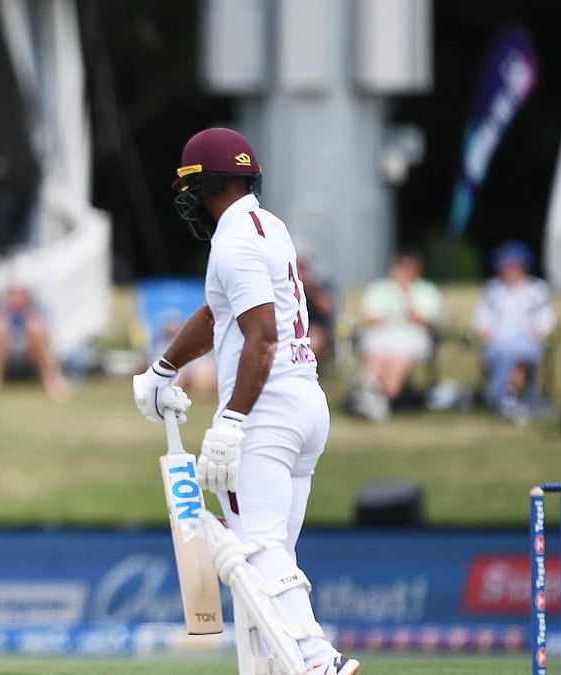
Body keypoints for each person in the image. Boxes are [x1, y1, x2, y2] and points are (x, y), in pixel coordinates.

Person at [131, 127, 359, 675]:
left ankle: (315, 659)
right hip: (306, 403)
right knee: (270, 560)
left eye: (190, 187)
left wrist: (232, 421)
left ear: (206, 184)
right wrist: (164, 368)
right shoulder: (268, 227)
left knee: (255, 549)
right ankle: (283, 667)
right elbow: (217, 316)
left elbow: (261, 336)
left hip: (267, 411)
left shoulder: (232, 242)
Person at [350, 249, 444, 420]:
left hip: (411, 336)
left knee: (397, 361)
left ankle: (378, 398)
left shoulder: (427, 290)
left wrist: (406, 294)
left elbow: (425, 321)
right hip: (382, 334)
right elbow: (370, 319)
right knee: (376, 353)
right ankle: (371, 394)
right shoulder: (378, 288)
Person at [473, 241, 555, 423]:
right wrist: (490, 336)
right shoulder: (492, 290)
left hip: (527, 343)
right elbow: (483, 322)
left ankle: (501, 398)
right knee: (507, 353)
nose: (504, 271)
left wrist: (536, 335)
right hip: (498, 345)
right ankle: (507, 399)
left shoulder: (538, 291)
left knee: (517, 353)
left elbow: (545, 323)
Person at [0, 283, 70, 402]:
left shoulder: (37, 311)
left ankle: (52, 380)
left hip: (30, 360)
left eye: (20, 294)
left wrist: (27, 317)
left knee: (35, 329)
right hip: (5, 361)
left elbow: (47, 337)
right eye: (12, 294)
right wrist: (5, 316)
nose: (16, 298)